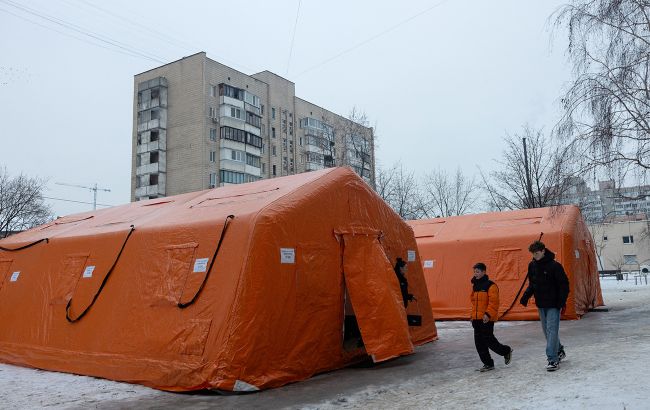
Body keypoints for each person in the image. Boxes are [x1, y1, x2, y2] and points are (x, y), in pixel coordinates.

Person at [520, 240, 570, 372]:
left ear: (543, 251)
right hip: (541, 303)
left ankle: (552, 359)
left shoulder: (555, 266)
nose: (535, 256)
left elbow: (564, 285)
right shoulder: (532, 266)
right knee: (547, 331)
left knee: (551, 330)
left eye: (536, 253)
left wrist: (561, 302)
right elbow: (533, 284)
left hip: (554, 304)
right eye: (533, 254)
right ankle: (559, 350)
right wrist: (525, 296)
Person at [470, 262, 512, 372]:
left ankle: (506, 351)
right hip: (476, 319)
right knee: (479, 343)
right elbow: (474, 302)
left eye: (477, 272)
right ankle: (488, 363)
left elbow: (494, 302)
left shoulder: (491, 285)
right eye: (474, 272)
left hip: (486, 319)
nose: (475, 274)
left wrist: (488, 314)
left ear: (484, 272)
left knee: (489, 340)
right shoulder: (475, 286)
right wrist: (472, 316)